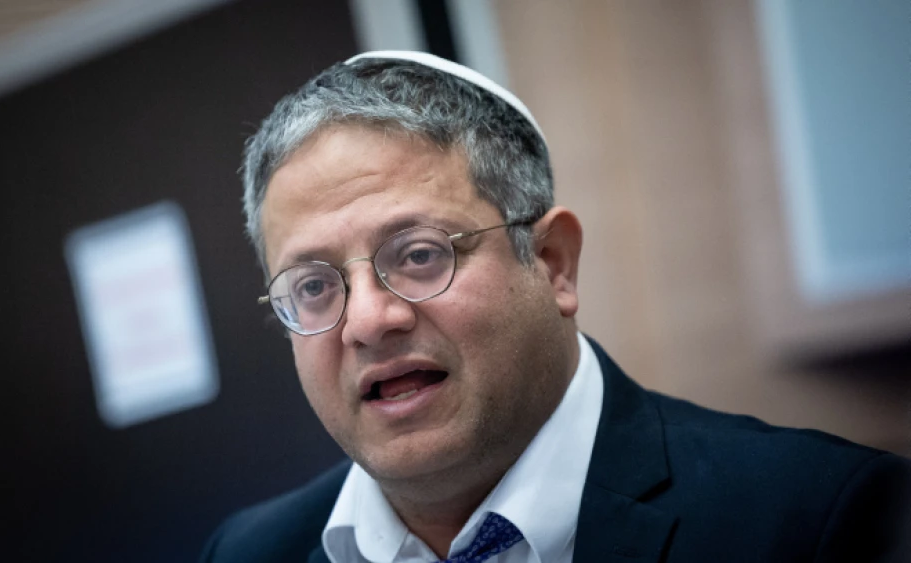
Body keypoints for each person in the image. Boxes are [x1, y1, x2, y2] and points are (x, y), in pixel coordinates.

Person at [199, 51, 910, 563]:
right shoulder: (246, 551)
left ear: (552, 262)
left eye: (418, 254)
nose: (367, 321)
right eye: (315, 285)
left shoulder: (819, 519)